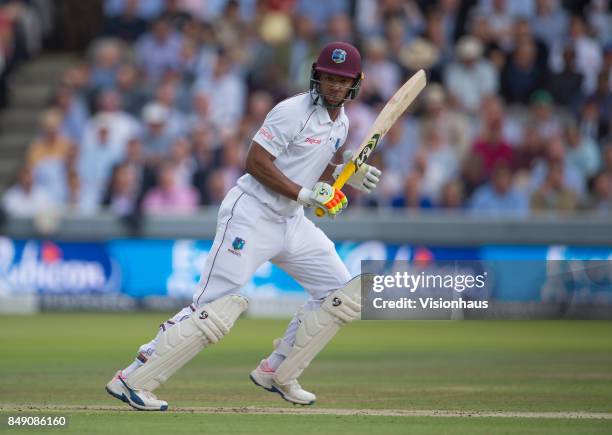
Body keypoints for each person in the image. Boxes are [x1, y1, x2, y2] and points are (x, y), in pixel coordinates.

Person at [106, 42, 382, 410]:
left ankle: (278, 371)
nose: (334, 86)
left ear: (355, 84)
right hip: (252, 215)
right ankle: (132, 378)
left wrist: (345, 172)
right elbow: (255, 161)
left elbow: (307, 160)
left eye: (342, 80)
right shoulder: (291, 111)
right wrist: (305, 194)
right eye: (329, 78)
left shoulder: (342, 122)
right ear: (317, 75)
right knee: (212, 309)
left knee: (340, 294)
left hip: (291, 222)